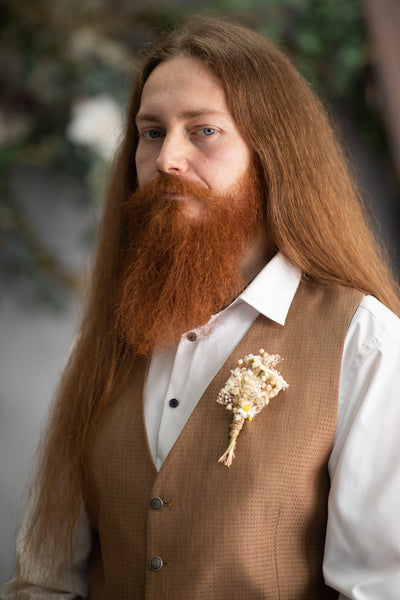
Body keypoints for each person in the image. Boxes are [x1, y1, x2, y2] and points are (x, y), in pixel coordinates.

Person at [2, 15, 400, 600]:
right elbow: (45, 582)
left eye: (203, 131)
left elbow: (379, 588)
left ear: (273, 154)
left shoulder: (364, 340)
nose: (166, 159)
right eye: (152, 132)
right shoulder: (111, 339)